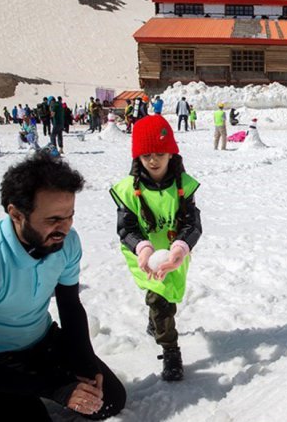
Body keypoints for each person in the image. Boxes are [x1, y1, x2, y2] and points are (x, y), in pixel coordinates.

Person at [0, 153, 127, 420]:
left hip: (41, 342)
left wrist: (84, 361)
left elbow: (70, 306)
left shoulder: (67, 242)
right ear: (16, 214)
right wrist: (57, 388)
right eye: (53, 219)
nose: (65, 228)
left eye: (70, 216)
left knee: (108, 402)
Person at [110, 115, 202, 382]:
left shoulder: (183, 185)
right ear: (137, 157)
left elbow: (191, 223)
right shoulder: (128, 190)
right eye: (146, 154)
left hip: (174, 252)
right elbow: (126, 227)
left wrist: (180, 248)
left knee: (170, 294)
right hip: (142, 254)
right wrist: (142, 248)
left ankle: (155, 322)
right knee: (159, 300)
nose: (153, 160)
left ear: (171, 153)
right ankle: (171, 350)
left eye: (159, 153)